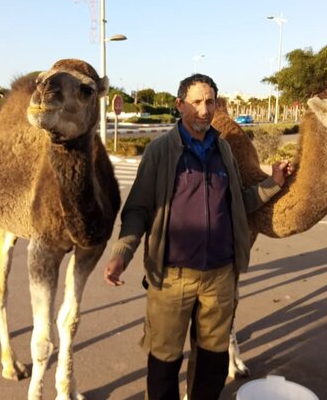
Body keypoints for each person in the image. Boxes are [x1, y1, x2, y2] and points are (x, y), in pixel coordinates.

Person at [104, 73, 293, 400]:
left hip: (220, 276)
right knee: (164, 361)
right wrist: (123, 252)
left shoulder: (224, 150)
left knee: (212, 362)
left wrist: (272, 182)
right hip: (172, 277)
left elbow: (238, 204)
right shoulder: (160, 152)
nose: (204, 110)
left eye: (210, 102)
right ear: (180, 105)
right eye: (196, 102)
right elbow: (137, 209)